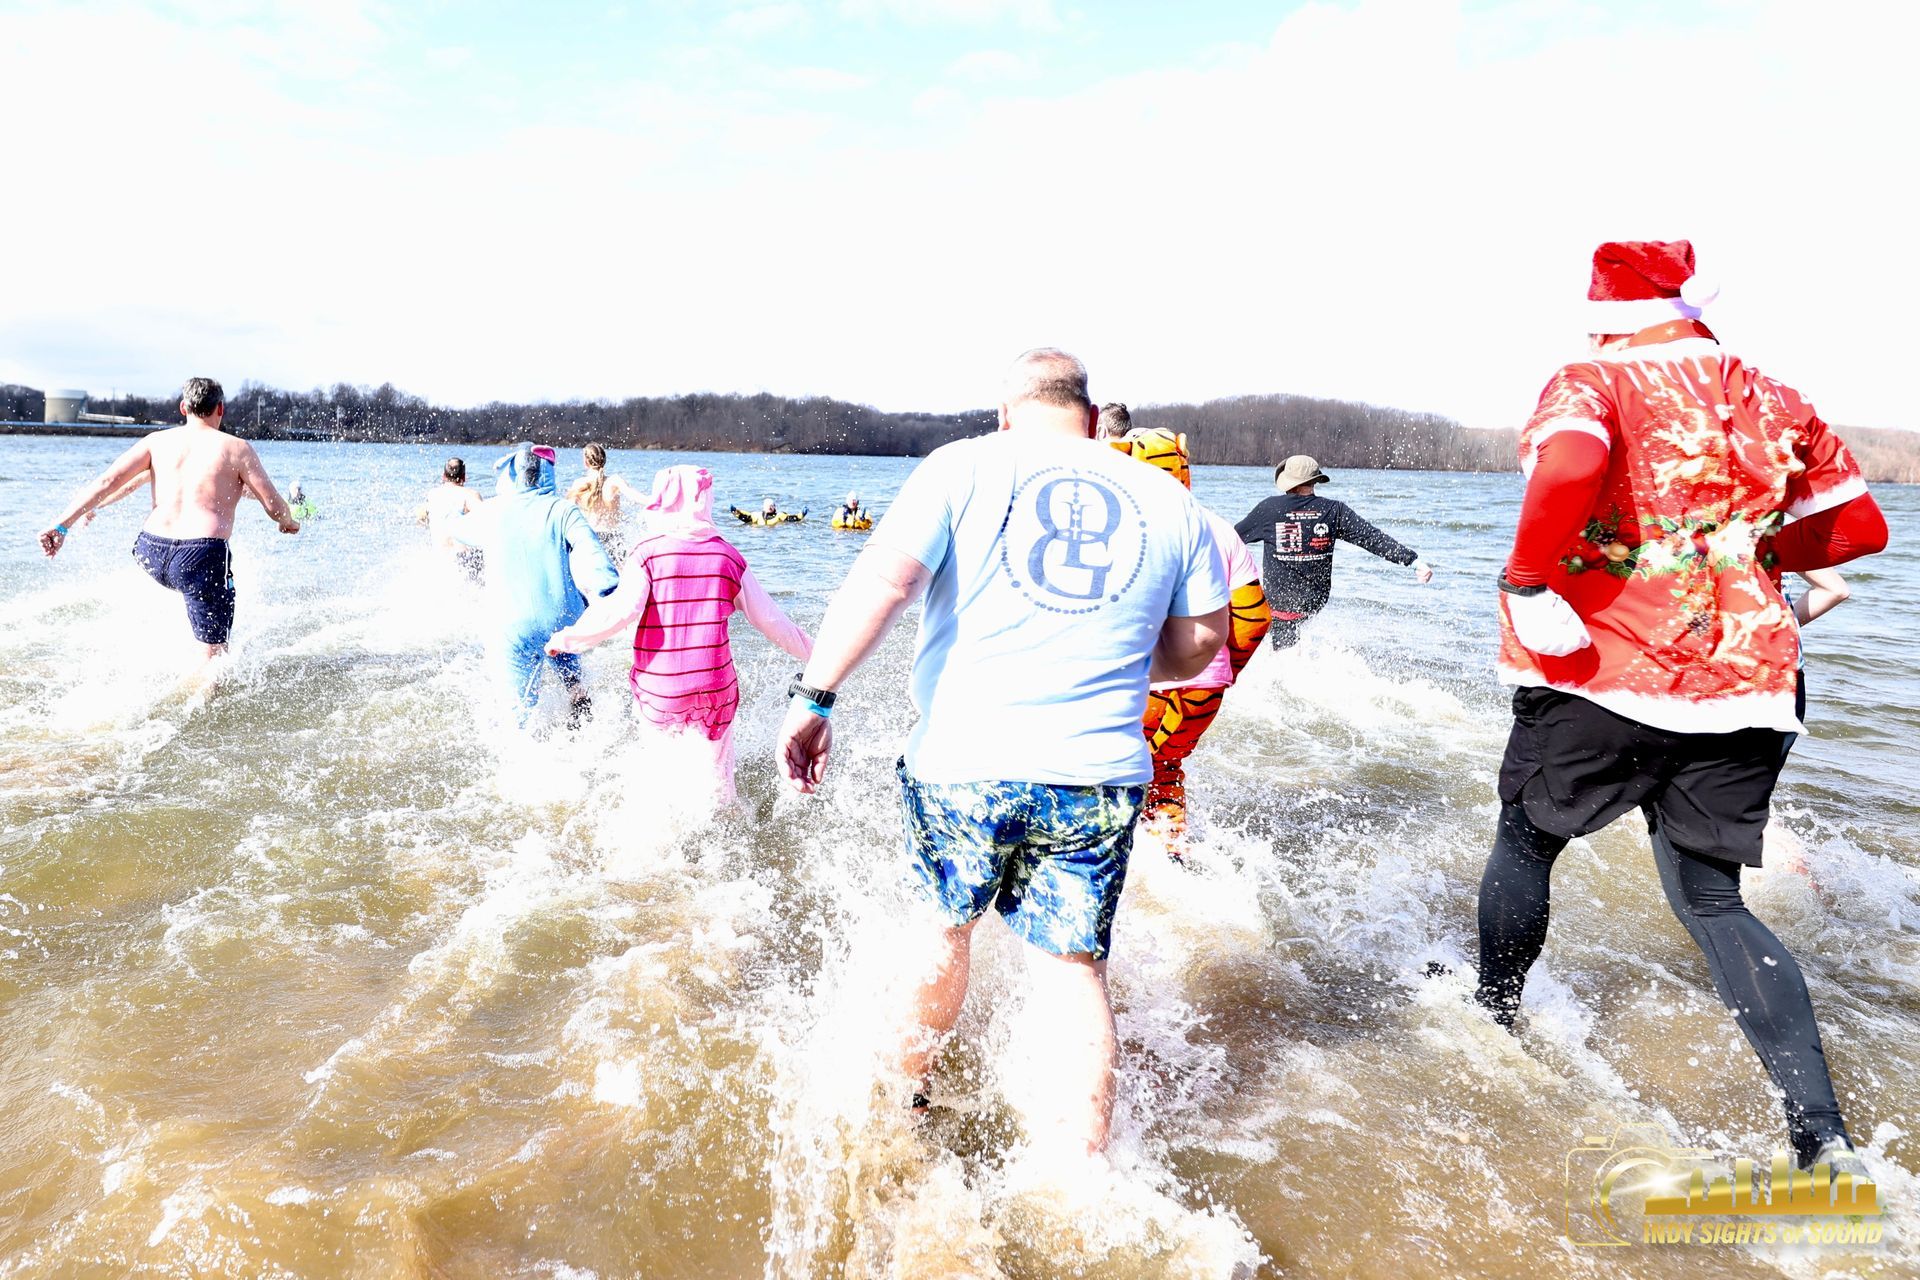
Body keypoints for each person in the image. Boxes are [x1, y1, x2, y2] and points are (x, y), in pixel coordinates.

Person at [1474, 240, 1889, 1175]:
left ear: (1610, 318)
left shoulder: (1594, 379)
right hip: (1748, 681)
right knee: (1711, 900)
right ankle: (1823, 1138)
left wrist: (1529, 579)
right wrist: (1745, 557)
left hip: (1604, 670)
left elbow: (1571, 465)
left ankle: (1492, 1016)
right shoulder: (1772, 395)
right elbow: (1859, 528)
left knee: (1527, 842)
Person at [775, 349, 1229, 1155]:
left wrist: (815, 698)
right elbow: (1201, 643)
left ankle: (903, 1116)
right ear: (1091, 420)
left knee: (943, 931)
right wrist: (1125, 661)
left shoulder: (963, 465)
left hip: (964, 763)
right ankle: (1080, 1175)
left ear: (1006, 415)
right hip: (1097, 775)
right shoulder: (1169, 498)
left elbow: (885, 585)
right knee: (1073, 968)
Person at [546, 465, 814, 803]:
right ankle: (726, 818)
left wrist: (567, 639)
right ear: (705, 501)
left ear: (662, 500)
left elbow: (619, 612)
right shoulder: (728, 556)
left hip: (662, 688)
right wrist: (820, 657)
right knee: (720, 779)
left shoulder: (647, 554)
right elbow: (773, 622)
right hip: (715, 688)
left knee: (660, 773)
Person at [37, 376, 299, 661]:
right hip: (200, 556)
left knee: (189, 587)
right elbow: (274, 506)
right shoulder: (236, 448)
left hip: (151, 551)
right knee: (215, 661)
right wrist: (287, 521)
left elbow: (110, 482)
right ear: (220, 409)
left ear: (183, 407)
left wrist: (62, 525)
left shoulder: (157, 443)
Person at [1109, 424, 1271, 855]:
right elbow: (1255, 620)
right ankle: (1171, 858)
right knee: (1166, 768)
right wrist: (1221, 672)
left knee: (1113, 772)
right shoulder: (1220, 528)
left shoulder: (1123, 525)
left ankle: (1117, 863)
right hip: (1204, 691)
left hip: (1144, 681)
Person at [446, 443, 619, 727]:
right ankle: (579, 703)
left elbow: (457, 529)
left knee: (518, 710)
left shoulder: (493, 511)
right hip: (561, 617)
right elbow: (590, 550)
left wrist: (453, 513)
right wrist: (608, 587)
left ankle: (522, 737)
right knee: (570, 670)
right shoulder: (563, 510)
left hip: (511, 623)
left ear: (509, 474)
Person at [1234, 456, 1433, 649]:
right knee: (1287, 639)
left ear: (1288, 482)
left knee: (1274, 644)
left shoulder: (1270, 508)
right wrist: (1414, 562)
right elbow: (1372, 538)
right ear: (1314, 481)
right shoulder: (1334, 510)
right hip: (1314, 602)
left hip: (1280, 603)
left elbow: (1232, 539)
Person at [565, 443, 643, 561]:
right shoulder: (614, 481)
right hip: (614, 540)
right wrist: (655, 500)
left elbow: (567, 513)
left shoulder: (579, 484)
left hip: (591, 539)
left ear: (586, 462)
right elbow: (633, 495)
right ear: (604, 460)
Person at [417, 457, 485, 579]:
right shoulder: (470, 495)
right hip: (463, 560)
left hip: (440, 559)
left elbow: (420, 518)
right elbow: (486, 518)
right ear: (464, 477)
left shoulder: (433, 495)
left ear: (444, 476)